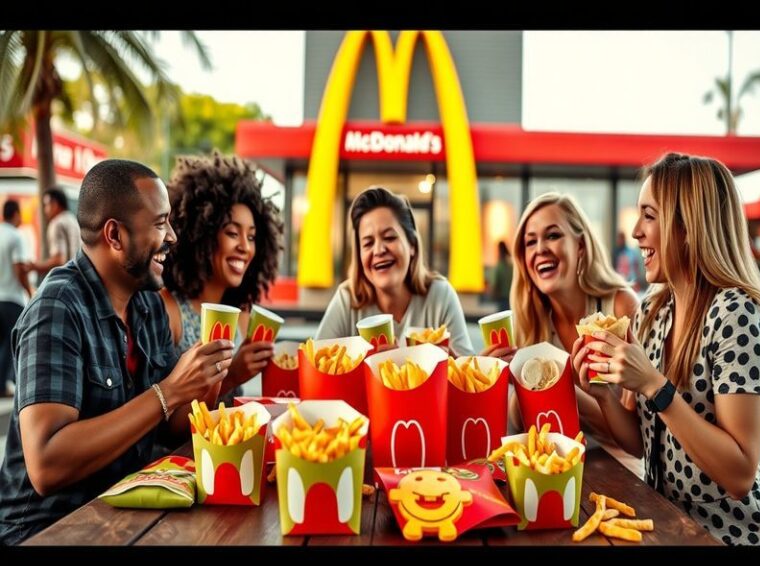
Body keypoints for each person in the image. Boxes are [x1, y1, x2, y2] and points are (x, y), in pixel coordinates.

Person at [0, 159, 234, 545]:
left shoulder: (149, 306)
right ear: (115, 235)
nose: (172, 236)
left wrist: (206, 375)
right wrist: (168, 392)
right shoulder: (57, 307)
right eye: (160, 223)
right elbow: (46, 464)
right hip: (44, 529)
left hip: (123, 514)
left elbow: (170, 425)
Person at [573, 153, 760, 545]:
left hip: (728, 533)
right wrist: (604, 395)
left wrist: (656, 386)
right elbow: (641, 443)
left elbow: (740, 474)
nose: (635, 232)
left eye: (649, 215)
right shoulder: (654, 308)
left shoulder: (736, 313)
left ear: (688, 226)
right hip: (666, 521)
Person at [484, 192, 641, 476]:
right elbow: (520, 428)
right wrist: (503, 385)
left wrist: (561, 385)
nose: (540, 249)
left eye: (553, 235)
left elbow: (638, 437)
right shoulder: (531, 320)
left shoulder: (619, 307)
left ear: (580, 246)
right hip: (556, 473)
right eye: (530, 242)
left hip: (624, 473)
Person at [161, 153, 284, 403]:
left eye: (251, 237)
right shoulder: (169, 310)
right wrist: (233, 375)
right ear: (201, 235)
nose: (245, 247)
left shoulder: (243, 315)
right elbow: (165, 416)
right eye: (232, 233)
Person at [316, 186, 474, 357]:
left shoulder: (440, 295)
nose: (379, 250)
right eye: (368, 243)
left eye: (389, 237)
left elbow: (468, 367)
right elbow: (315, 363)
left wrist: (453, 363)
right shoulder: (347, 299)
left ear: (412, 245)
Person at [0, 200, 32, 397]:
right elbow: (19, 268)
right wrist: (30, 291)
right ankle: (4, 384)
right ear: (16, 214)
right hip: (12, 298)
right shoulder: (16, 236)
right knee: (13, 342)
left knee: (1, 342)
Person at [30, 187, 81, 276]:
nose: (45, 210)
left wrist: (36, 267)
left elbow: (59, 260)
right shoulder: (72, 220)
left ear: (55, 204)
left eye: (46, 205)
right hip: (79, 276)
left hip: (65, 278)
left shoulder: (57, 223)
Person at [490, 240, 513, 311]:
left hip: (503, 300)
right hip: (512, 299)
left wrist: (493, 296)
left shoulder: (499, 267)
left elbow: (494, 285)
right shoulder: (511, 266)